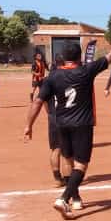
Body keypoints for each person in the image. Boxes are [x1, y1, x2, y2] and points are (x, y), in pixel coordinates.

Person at [23, 21, 111, 220]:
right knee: (81, 165)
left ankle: (75, 198)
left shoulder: (53, 76)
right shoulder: (86, 72)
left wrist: (28, 125)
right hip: (82, 124)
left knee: (67, 160)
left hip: (61, 124)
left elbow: (37, 101)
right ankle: (63, 198)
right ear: (79, 57)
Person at [45, 55, 64, 186]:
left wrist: (50, 114)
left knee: (55, 149)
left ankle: (57, 178)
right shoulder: (68, 77)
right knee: (69, 152)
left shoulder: (47, 80)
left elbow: (43, 101)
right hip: (67, 117)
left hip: (53, 117)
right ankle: (70, 179)